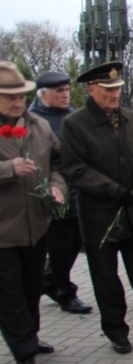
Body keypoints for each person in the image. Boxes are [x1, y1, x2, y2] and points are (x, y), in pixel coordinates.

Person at [59, 61, 133, 355]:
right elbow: (75, 170)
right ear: (91, 89)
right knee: (106, 279)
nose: (114, 94)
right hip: (99, 215)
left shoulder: (130, 119)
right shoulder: (74, 125)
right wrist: (111, 189)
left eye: (117, 89)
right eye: (108, 89)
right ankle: (116, 332)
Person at [0, 62, 67, 364]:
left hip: (36, 225)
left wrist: (57, 186)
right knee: (9, 294)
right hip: (2, 230)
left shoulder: (39, 125)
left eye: (20, 97)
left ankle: (30, 336)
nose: (17, 103)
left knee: (30, 288)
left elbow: (58, 163)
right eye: (9, 98)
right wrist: (8, 169)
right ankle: (23, 353)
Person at [29, 71, 93, 318]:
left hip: (79, 192)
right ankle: (66, 293)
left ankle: (49, 280)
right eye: (59, 91)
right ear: (43, 94)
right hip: (53, 195)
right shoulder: (34, 120)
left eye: (66, 90)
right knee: (59, 248)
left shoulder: (73, 115)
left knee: (73, 246)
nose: (65, 95)